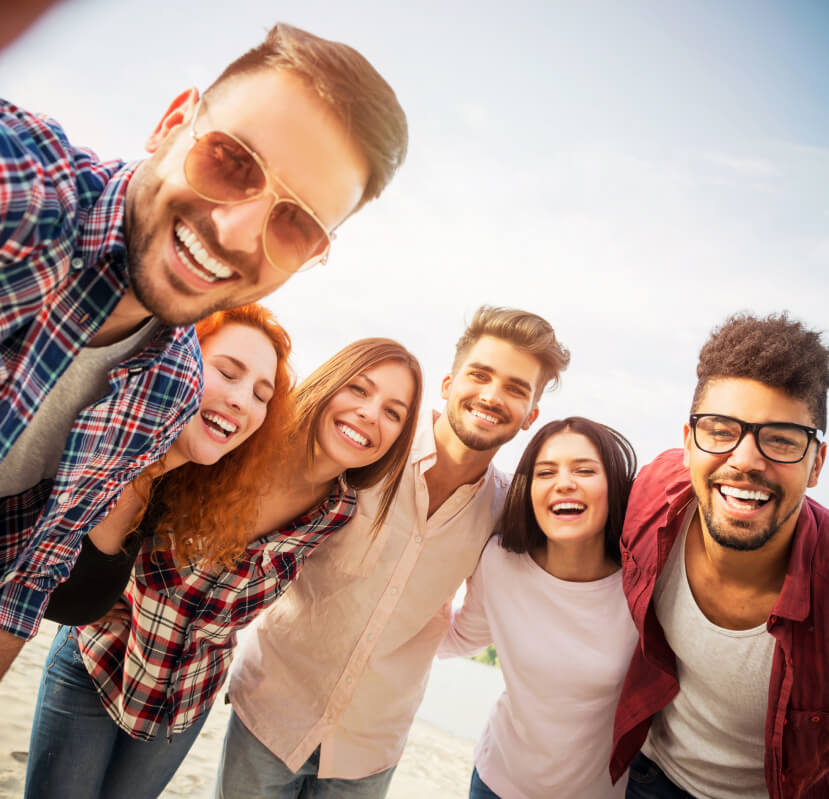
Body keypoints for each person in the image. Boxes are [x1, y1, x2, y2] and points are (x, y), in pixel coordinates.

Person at [0, 21, 408, 679]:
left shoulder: (170, 388)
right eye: (230, 159)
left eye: (295, 222)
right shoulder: (26, 199)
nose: (233, 229)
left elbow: (24, 581)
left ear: (314, 256)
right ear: (170, 123)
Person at [25, 331, 422, 799]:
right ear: (329, 384)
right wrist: (98, 588)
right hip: (99, 661)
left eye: (393, 412)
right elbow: (130, 484)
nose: (369, 413)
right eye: (359, 388)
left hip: (183, 702)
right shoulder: (236, 442)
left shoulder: (336, 514)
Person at [216, 305, 571, 799]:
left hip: (370, 748)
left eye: (515, 388)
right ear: (448, 384)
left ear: (531, 415)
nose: (492, 396)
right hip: (270, 710)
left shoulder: (507, 509)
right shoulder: (368, 444)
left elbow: (477, 625)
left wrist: (411, 638)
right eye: (481, 375)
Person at [610, 313, 828, 799]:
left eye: (781, 440)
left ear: (816, 463)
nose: (746, 460)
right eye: (721, 429)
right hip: (650, 776)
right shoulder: (651, 499)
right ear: (687, 445)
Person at [439, 417, 639, 799]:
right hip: (497, 782)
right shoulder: (500, 563)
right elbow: (463, 635)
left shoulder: (641, 587)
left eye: (584, 469)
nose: (564, 482)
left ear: (614, 485)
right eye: (545, 472)